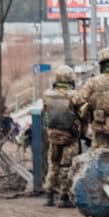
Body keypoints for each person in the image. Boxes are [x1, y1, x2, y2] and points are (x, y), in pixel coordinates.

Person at [40, 71, 81, 207]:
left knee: (53, 164)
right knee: (66, 166)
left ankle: (49, 196)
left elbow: (44, 111)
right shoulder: (73, 95)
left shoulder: (47, 95)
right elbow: (81, 111)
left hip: (53, 135)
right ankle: (64, 197)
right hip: (70, 137)